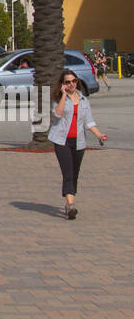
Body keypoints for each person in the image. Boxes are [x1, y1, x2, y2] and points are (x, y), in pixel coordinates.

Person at [49, 68, 108, 219]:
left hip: (79, 142)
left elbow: (89, 122)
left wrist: (99, 135)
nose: (71, 84)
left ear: (77, 81)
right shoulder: (58, 98)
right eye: (67, 82)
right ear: (62, 84)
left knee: (74, 175)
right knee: (68, 173)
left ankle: (69, 203)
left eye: (74, 81)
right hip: (62, 141)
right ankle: (71, 205)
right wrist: (63, 95)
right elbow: (57, 114)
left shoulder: (84, 100)